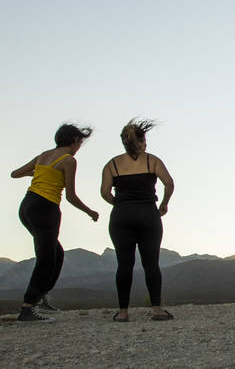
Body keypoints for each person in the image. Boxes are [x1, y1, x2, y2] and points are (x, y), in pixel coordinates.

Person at [9, 124, 100, 322]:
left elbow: (15, 173)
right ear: (75, 140)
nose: (79, 147)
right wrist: (90, 211)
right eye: (80, 143)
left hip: (27, 206)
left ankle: (40, 298)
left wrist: (36, 174)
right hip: (46, 208)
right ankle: (28, 307)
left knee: (56, 254)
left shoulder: (43, 155)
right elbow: (71, 196)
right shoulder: (68, 160)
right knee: (46, 259)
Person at [100, 119, 175, 322]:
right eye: (144, 142)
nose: (146, 145)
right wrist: (164, 203)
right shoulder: (152, 161)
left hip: (121, 216)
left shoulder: (112, 164)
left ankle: (123, 312)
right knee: (151, 263)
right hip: (148, 214)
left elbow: (104, 192)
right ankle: (157, 310)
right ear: (139, 143)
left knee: (124, 264)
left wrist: (119, 202)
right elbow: (169, 183)